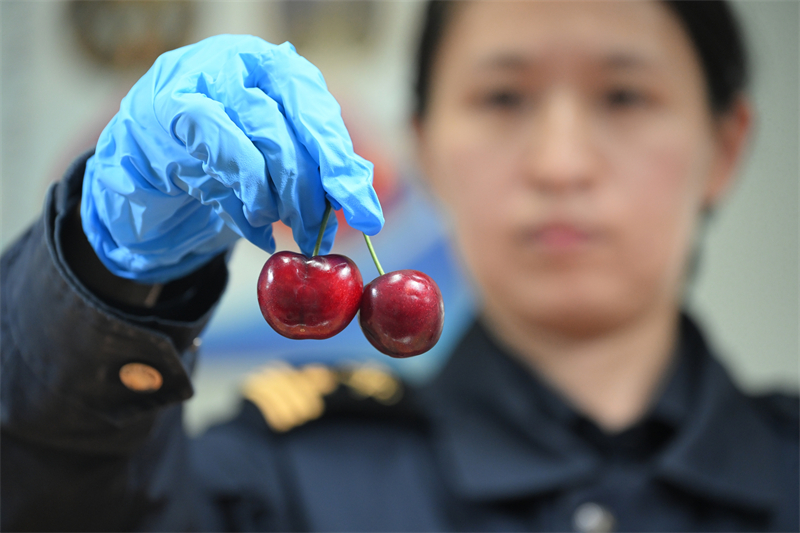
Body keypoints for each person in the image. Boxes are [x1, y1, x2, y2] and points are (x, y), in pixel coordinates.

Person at [2, 1, 797, 531]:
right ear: (425, 147)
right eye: (502, 99)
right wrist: (107, 280)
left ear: (725, 146)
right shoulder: (283, 485)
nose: (560, 164)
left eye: (624, 96)